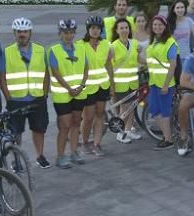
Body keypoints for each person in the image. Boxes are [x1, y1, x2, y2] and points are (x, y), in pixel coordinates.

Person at [2, 18, 50, 168]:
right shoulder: (7, 52)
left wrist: (45, 93)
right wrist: (8, 97)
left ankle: (40, 156)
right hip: (16, 99)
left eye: (25, 31)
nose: (22, 34)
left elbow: (46, 73)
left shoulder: (40, 50)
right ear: (14, 33)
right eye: (19, 32)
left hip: (37, 97)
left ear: (30, 33)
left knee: (39, 129)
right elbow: (2, 76)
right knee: (16, 132)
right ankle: (16, 160)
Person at [47, 19, 89, 169]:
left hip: (79, 92)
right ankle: (60, 156)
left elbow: (86, 68)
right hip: (63, 95)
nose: (69, 35)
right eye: (65, 33)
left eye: (71, 33)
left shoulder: (81, 49)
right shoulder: (54, 50)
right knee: (65, 125)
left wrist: (82, 85)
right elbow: (56, 72)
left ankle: (74, 152)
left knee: (77, 122)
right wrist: (69, 88)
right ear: (60, 33)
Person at [80, 15, 114, 156]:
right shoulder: (80, 45)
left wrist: (112, 84)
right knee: (88, 117)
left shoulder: (106, 45)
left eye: (98, 28)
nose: (95, 31)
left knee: (100, 114)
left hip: (102, 85)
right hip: (88, 87)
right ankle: (85, 142)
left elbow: (108, 65)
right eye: (92, 28)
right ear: (88, 30)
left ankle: (97, 143)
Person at [145, 14, 178, 151]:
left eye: (160, 25)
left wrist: (166, 84)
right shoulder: (154, 41)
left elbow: (173, 65)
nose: (157, 27)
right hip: (154, 81)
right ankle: (167, 135)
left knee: (165, 111)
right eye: (155, 25)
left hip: (165, 83)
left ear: (165, 27)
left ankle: (168, 139)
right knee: (153, 109)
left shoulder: (170, 42)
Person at [110, 17, 142, 143]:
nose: (124, 30)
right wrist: (111, 84)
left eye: (126, 28)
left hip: (133, 82)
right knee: (125, 108)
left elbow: (138, 60)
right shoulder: (113, 46)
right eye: (121, 28)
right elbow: (109, 65)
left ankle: (128, 131)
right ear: (117, 31)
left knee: (132, 107)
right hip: (120, 83)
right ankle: (120, 133)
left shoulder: (134, 43)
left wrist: (151, 62)